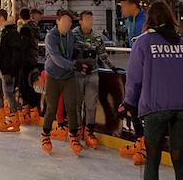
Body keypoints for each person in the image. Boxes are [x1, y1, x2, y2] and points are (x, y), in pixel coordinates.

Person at [125, 1, 183, 180]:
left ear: (150, 20)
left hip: (156, 106)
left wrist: (129, 102)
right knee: (178, 158)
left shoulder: (143, 42)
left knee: (153, 159)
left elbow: (134, 76)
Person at [40, 10, 84, 155]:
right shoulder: (50, 36)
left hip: (68, 76)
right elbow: (56, 58)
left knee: (72, 106)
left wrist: (80, 58)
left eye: (70, 22)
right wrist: (73, 65)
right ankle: (45, 134)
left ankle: (73, 134)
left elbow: (74, 51)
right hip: (53, 76)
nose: (67, 24)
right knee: (52, 108)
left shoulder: (71, 35)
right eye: (64, 21)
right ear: (58, 21)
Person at [72, 10, 118, 149]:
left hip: (92, 73)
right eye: (86, 19)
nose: (89, 22)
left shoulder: (97, 37)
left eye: (91, 20)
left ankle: (89, 131)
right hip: (78, 73)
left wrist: (112, 67)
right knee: (77, 103)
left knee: (91, 104)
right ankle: (78, 128)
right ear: (80, 21)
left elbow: (102, 54)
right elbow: (68, 54)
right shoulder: (73, 36)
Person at [118, 0, 148, 165]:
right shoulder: (129, 22)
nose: (121, 9)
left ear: (133, 5)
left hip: (147, 71)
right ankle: (140, 140)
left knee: (145, 107)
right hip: (136, 69)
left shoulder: (146, 19)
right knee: (134, 106)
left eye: (123, 6)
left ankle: (147, 145)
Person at [17, 8, 42, 126]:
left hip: (25, 60)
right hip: (33, 58)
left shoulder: (25, 29)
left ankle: (28, 111)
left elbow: (23, 46)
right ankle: (32, 111)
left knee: (25, 86)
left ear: (21, 17)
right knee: (30, 85)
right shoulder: (35, 27)